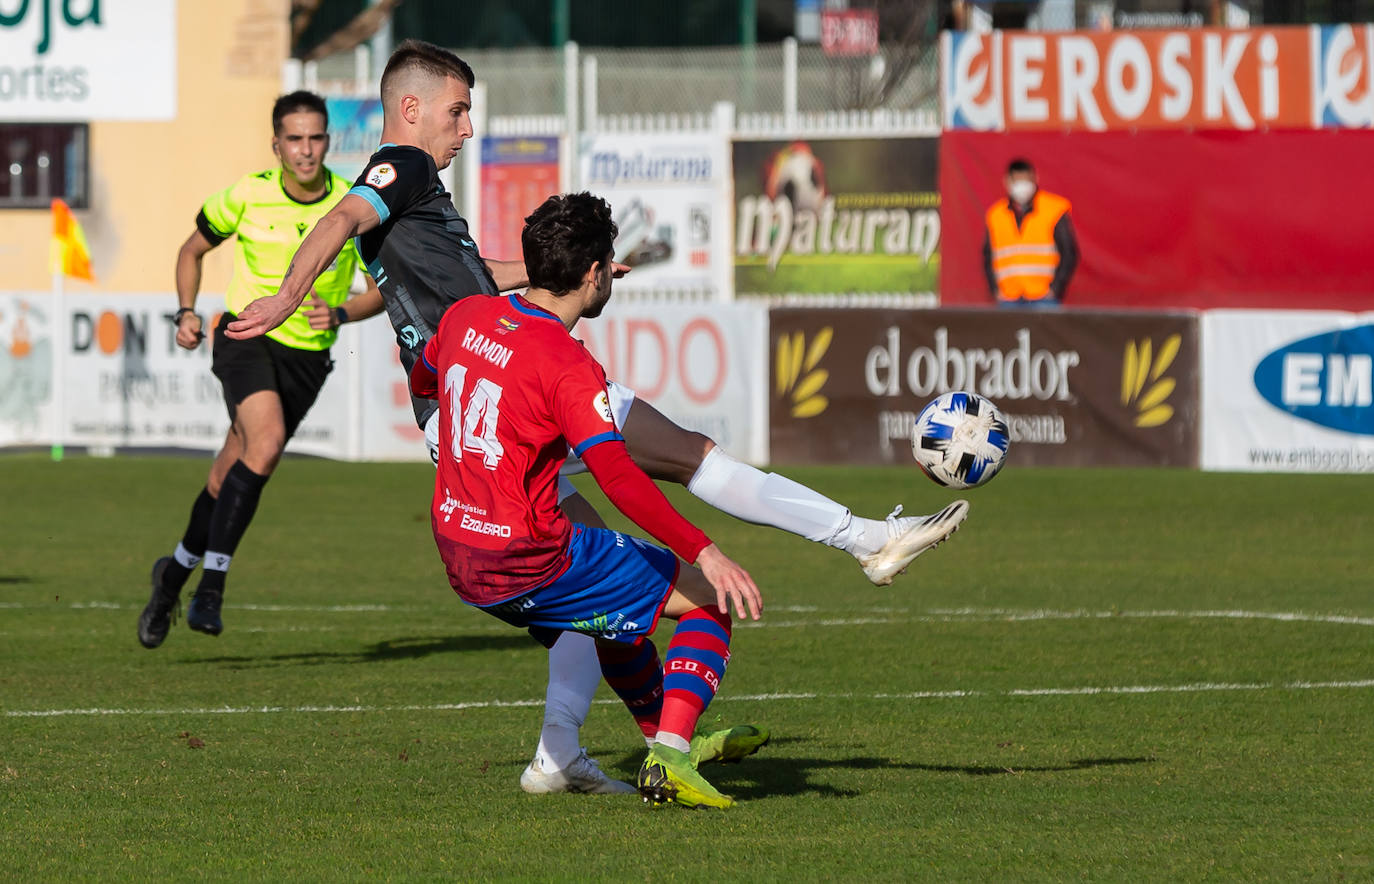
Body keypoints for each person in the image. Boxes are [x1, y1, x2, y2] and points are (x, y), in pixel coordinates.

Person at [226, 40, 969, 794]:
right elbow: (341, 217)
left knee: (580, 569)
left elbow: (466, 271)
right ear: (411, 109)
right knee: (689, 455)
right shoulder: (404, 166)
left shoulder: (415, 202)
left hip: (462, 397)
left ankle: (557, 755)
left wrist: (567, 273)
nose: (467, 129)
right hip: (516, 380)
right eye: (458, 111)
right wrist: (287, 298)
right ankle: (866, 539)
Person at [412, 192, 764, 808]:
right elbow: (619, 478)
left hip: (460, 556)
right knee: (710, 598)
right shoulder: (569, 363)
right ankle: (673, 756)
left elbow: (425, 378)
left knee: (617, 620)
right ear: (596, 273)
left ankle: (666, 738)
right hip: (529, 556)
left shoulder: (469, 314)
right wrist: (704, 550)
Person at [137, 91, 384, 648]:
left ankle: (172, 575)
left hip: (308, 358)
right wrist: (185, 312)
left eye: (315, 137)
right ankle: (213, 588)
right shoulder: (246, 196)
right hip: (244, 338)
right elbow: (189, 251)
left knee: (231, 471)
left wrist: (343, 311)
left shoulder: (353, 206)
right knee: (267, 443)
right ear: (276, 145)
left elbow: (381, 293)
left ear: (328, 141)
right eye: (294, 139)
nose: (305, 150)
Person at [983, 158, 1079, 307]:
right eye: (1017, 180)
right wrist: (995, 289)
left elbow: (1069, 253)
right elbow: (988, 256)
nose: (1022, 186)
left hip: (1044, 297)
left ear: (1035, 179)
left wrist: (1056, 288)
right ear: (1007, 181)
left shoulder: (1054, 210)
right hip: (1009, 297)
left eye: (1026, 180)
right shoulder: (995, 215)